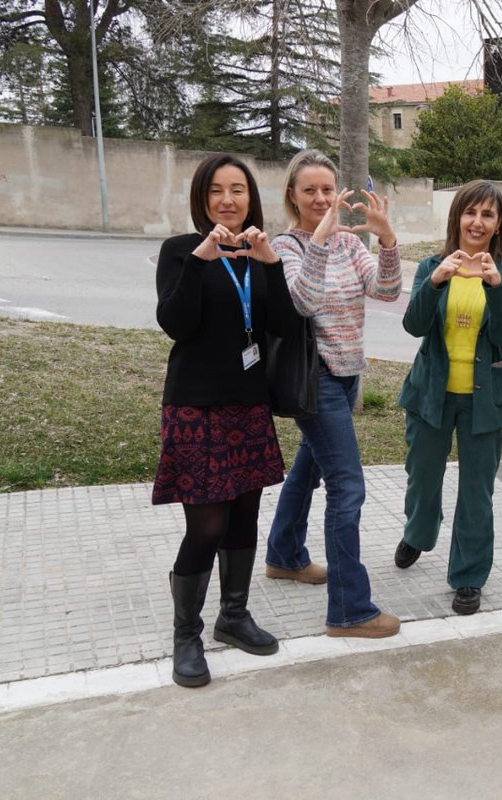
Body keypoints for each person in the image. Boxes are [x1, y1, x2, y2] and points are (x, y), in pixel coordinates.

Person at [153, 153, 301, 688]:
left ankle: (232, 616)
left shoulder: (256, 254)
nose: (228, 200)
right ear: (203, 197)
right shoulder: (181, 251)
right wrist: (200, 258)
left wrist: (270, 265)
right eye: (217, 190)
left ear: (250, 198)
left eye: (237, 190)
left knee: (242, 515)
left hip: (248, 403)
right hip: (195, 406)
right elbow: (175, 322)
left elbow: (284, 326)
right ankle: (185, 635)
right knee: (206, 524)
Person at [264, 149, 404, 638]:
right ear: (293, 196)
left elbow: (385, 291)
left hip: (348, 375)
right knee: (347, 487)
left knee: (308, 469)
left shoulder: (349, 242)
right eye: (311, 190)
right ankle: (348, 610)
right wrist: (319, 241)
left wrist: (386, 239)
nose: (321, 198)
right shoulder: (287, 246)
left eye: (328, 189)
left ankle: (284, 556)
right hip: (316, 378)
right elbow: (302, 302)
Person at [394, 181, 502, 615]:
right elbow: (413, 326)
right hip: (431, 393)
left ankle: (468, 576)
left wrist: (493, 287)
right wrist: (434, 281)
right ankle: (418, 532)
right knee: (422, 476)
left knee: (476, 491)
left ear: (498, 225)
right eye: (471, 212)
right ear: (457, 218)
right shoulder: (433, 265)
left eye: (488, 214)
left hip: (484, 401)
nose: (478, 221)